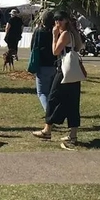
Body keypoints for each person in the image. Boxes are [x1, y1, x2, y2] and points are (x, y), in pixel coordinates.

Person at [39, 10, 85, 149]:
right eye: (56, 20)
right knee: (72, 101)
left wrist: (54, 36)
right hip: (72, 71)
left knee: (53, 98)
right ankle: (73, 133)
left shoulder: (64, 34)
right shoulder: (73, 33)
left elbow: (55, 51)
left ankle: (47, 130)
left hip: (64, 70)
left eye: (60, 20)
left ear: (66, 20)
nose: (57, 23)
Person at [28, 10, 56, 121]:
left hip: (42, 64)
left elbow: (33, 46)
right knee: (50, 91)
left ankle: (49, 114)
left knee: (42, 92)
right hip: (53, 64)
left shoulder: (39, 31)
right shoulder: (55, 32)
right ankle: (51, 110)